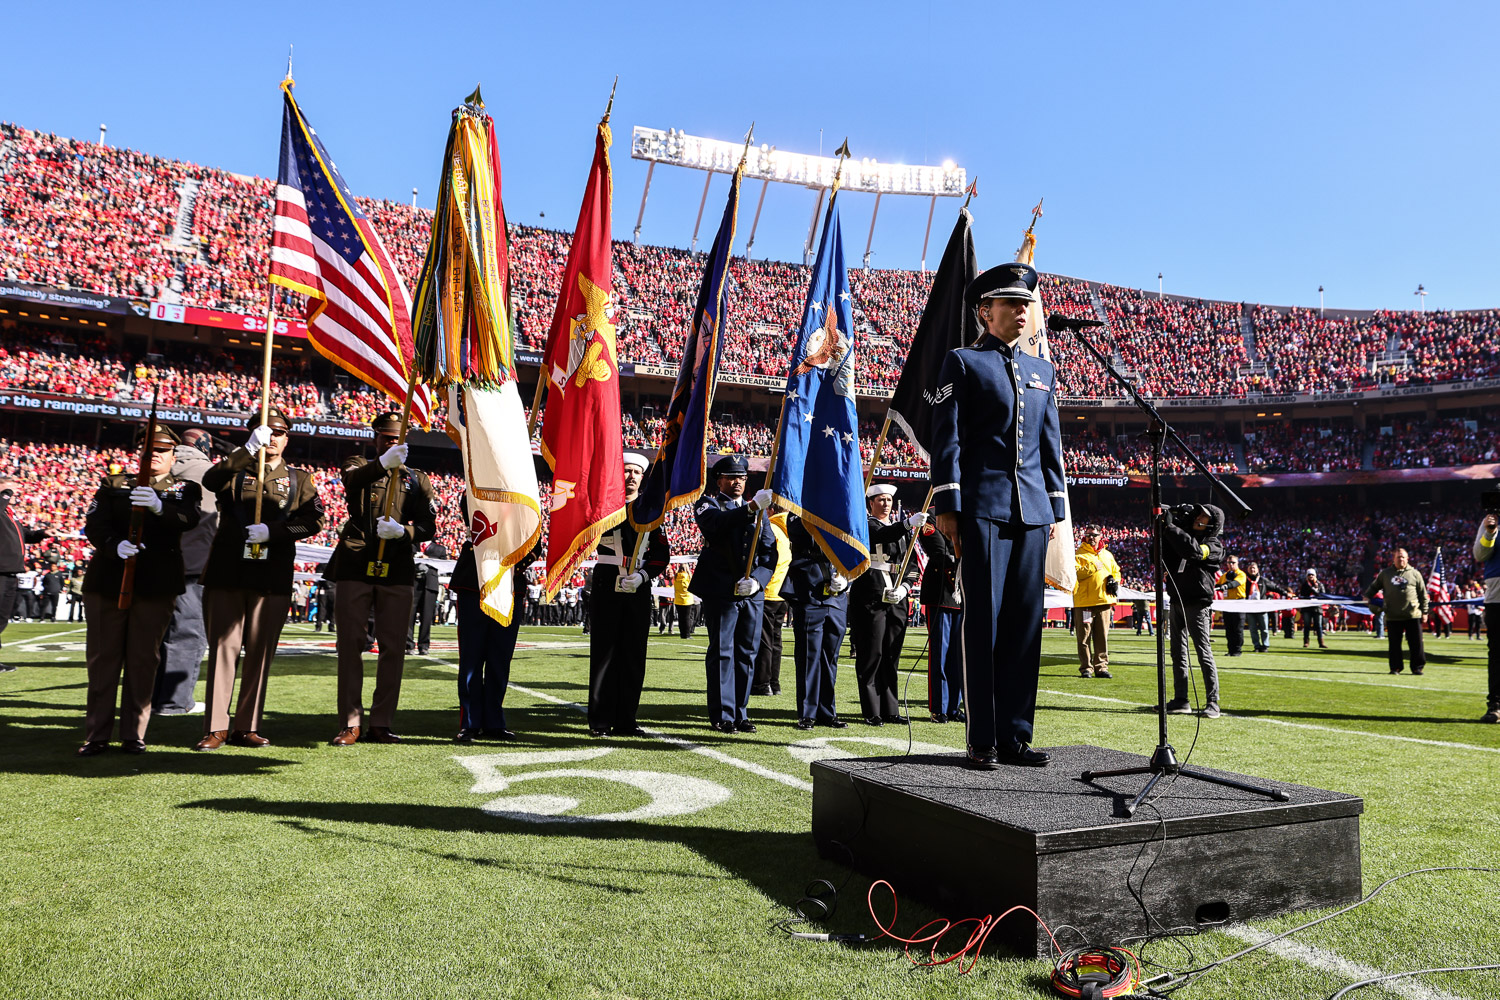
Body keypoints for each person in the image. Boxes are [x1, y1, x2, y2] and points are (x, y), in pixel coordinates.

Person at [931, 261, 1068, 768]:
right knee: (984, 625)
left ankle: (1015, 736)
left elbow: (1050, 444)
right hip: (983, 508)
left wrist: (1054, 506)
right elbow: (947, 438)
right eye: (1013, 304)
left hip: (1033, 511)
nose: (1023, 311)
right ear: (986, 311)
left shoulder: (1042, 371)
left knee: (1024, 627)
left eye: (1027, 304)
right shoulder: (963, 362)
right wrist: (949, 504)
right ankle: (982, 739)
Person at [194, 409, 325, 751]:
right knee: (224, 648)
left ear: (287, 438)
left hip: (272, 574)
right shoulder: (234, 471)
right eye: (266, 432)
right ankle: (216, 727)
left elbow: (313, 522)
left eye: (280, 433)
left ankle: (247, 726)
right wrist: (246, 451)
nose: (274, 438)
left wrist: (275, 532)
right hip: (229, 569)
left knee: (260, 653)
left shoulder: (299, 479)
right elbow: (209, 481)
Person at [77, 425, 202, 755]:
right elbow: (95, 525)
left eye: (162, 451)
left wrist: (161, 508)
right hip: (109, 582)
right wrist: (113, 545)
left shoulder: (184, 488)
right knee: (104, 660)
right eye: (149, 451)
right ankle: (97, 735)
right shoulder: (114, 484)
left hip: (156, 585)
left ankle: (134, 734)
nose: (154, 456)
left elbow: (189, 518)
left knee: (143, 660)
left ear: (174, 456)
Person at [324, 412, 437, 746]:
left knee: (394, 647)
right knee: (350, 645)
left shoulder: (417, 480)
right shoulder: (359, 464)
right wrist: (383, 463)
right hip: (356, 562)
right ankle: (350, 721)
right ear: (376, 438)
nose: (392, 442)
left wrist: (406, 532)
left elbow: (429, 526)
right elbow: (351, 481)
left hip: (397, 567)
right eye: (386, 438)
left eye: (397, 438)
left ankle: (382, 722)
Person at [690, 455, 777, 734]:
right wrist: (751, 508)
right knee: (722, 653)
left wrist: (758, 582)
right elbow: (716, 525)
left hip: (750, 593)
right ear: (720, 481)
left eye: (741, 477)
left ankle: (740, 713)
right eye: (730, 477)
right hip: (721, 591)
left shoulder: (761, 512)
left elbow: (769, 553)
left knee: (747, 653)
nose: (737, 481)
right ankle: (723, 715)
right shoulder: (708, 503)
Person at [586, 452, 670, 737]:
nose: (631, 476)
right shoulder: (604, 508)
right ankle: (599, 720)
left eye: (636, 472)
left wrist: (643, 575)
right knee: (604, 653)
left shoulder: (650, 511)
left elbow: (661, 554)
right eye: (626, 471)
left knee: (633, 654)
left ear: (642, 477)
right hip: (607, 581)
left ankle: (626, 719)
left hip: (638, 585)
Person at [451, 496, 531, 744]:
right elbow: (469, 505)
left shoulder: (524, 497)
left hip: (509, 582)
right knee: (472, 659)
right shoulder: (478, 491)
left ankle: (495, 721)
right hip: (475, 579)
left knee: (500, 658)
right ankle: (470, 723)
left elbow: (534, 540)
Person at [152, 427, 219, 715]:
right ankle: (174, 702)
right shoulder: (210, 473)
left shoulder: (157, 468)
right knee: (187, 633)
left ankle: (148, 698)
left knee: (154, 634)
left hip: (154, 562)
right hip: (192, 565)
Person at [850, 484, 925, 725]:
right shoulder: (866, 525)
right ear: (870, 503)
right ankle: (872, 710)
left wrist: (905, 587)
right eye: (880, 500)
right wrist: (906, 525)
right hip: (871, 595)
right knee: (872, 654)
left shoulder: (903, 531)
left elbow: (911, 563)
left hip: (897, 597)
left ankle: (890, 709)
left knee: (892, 655)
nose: (886, 504)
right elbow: (882, 535)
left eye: (889, 500)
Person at [780, 515, 852, 730]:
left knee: (830, 658)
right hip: (810, 591)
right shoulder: (800, 513)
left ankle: (827, 712)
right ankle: (807, 713)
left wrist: (846, 579)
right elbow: (797, 531)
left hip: (836, 596)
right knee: (809, 656)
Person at [1162, 504, 1225, 719]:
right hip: (1177, 599)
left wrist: (1171, 527)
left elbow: (1195, 552)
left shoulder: (1214, 545)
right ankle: (1181, 700)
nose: (1198, 518)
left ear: (1213, 523)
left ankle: (1213, 702)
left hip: (1197, 603)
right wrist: (1164, 526)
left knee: (1202, 652)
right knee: (1178, 653)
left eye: (1204, 517)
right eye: (1197, 514)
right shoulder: (1184, 535)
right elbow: (1166, 552)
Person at [918, 515, 964, 722]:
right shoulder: (931, 520)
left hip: (962, 596)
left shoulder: (967, 518)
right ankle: (939, 708)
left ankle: (954, 707)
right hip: (941, 595)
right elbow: (939, 553)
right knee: (941, 656)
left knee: (959, 656)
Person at [1362, 548, 1430, 676]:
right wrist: (1367, 596)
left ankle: (1417, 667)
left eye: (1403, 557)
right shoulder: (1385, 574)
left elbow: (1423, 594)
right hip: (1393, 615)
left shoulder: (1415, 574)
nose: (1401, 559)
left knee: (1416, 643)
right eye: (1398, 557)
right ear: (1393, 559)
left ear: (1407, 558)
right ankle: (1395, 668)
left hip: (1412, 614)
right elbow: (1374, 586)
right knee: (1394, 645)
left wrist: (1425, 612)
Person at [751, 510, 791, 697]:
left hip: (768, 592)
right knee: (775, 641)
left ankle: (762, 683)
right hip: (781, 593)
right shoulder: (785, 530)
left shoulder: (772, 528)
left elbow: (768, 560)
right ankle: (774, 683)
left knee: (764, 642)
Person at [1072, 525, 1120, 678]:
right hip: (1085, 603)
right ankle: (1086, 667)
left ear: (1101, 536)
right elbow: (1076, 574)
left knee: (1102, 637)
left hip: (1104, 602)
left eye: (1094, 535)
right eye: (1088, 535)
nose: (1091, 537)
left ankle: (1101, 667)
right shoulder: (1078, 554)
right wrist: (1094, 566)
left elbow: (1116, 571)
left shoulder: (1107, 555)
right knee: (1084, 637)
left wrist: (1115, 580)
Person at [1473, 513, 1498, 723]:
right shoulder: (1489, 523)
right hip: (1496, 598)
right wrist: (1490, 532)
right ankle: (1496, 706)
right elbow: (1480, 555)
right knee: (1497, 654)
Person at [407, 541, 448, 655]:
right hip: (413, 583)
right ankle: (409, 645)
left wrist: (427, 558)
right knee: (409, 616)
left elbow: (443, 565)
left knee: (427, 617)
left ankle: (424, 646)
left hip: (430, 585)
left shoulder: (440, 549)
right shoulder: (412, 546)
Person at [1216, 554, 1248, 656]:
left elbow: (1235, 584)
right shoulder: (1225, 575)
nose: (1231, 564)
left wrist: (1225, 586)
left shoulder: (1241, 574)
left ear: (1237, 563)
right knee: (1229, 628)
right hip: (1227, 603)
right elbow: (1217, 585)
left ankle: (1237, 650)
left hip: (1238, 602)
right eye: (1229, 562)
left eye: (1233, 562)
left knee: (1238, 628)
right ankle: (1230, 650)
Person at [1244, 561, 1271, 652]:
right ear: (1248, 570)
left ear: (1257, 570)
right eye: (1250, 568)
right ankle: (1257, 646)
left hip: (1262, 608)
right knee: (1253, 629)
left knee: (1264, 628)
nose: (1252, 570)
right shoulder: (1245, 580)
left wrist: (1286, 593)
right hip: (1250, 608)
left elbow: (1275, 587)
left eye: (1254, 568)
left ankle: (1265, 645)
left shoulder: (1263, 580)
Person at [1299, 569, 1328, 648]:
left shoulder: (1320, 584)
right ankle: (1306, 642)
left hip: (1317, 607)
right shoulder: (1304, 585)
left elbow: (1322, 595)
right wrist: (1311, 589)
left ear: (1315, 576)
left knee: (1318, 625)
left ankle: (1321, 642)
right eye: (1309, 575)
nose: (1311, 576)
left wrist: (1315, 590)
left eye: (1312, 575)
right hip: (1307, 607)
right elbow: (1302, 595)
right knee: (1307, 625)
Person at [673, 566, 697, 638]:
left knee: (681, 618)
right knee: (687, 617)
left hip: (678, 599)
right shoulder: (688, 576)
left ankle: (682, 634)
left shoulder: (676, 576)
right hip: (687, 600)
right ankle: (687, 634)